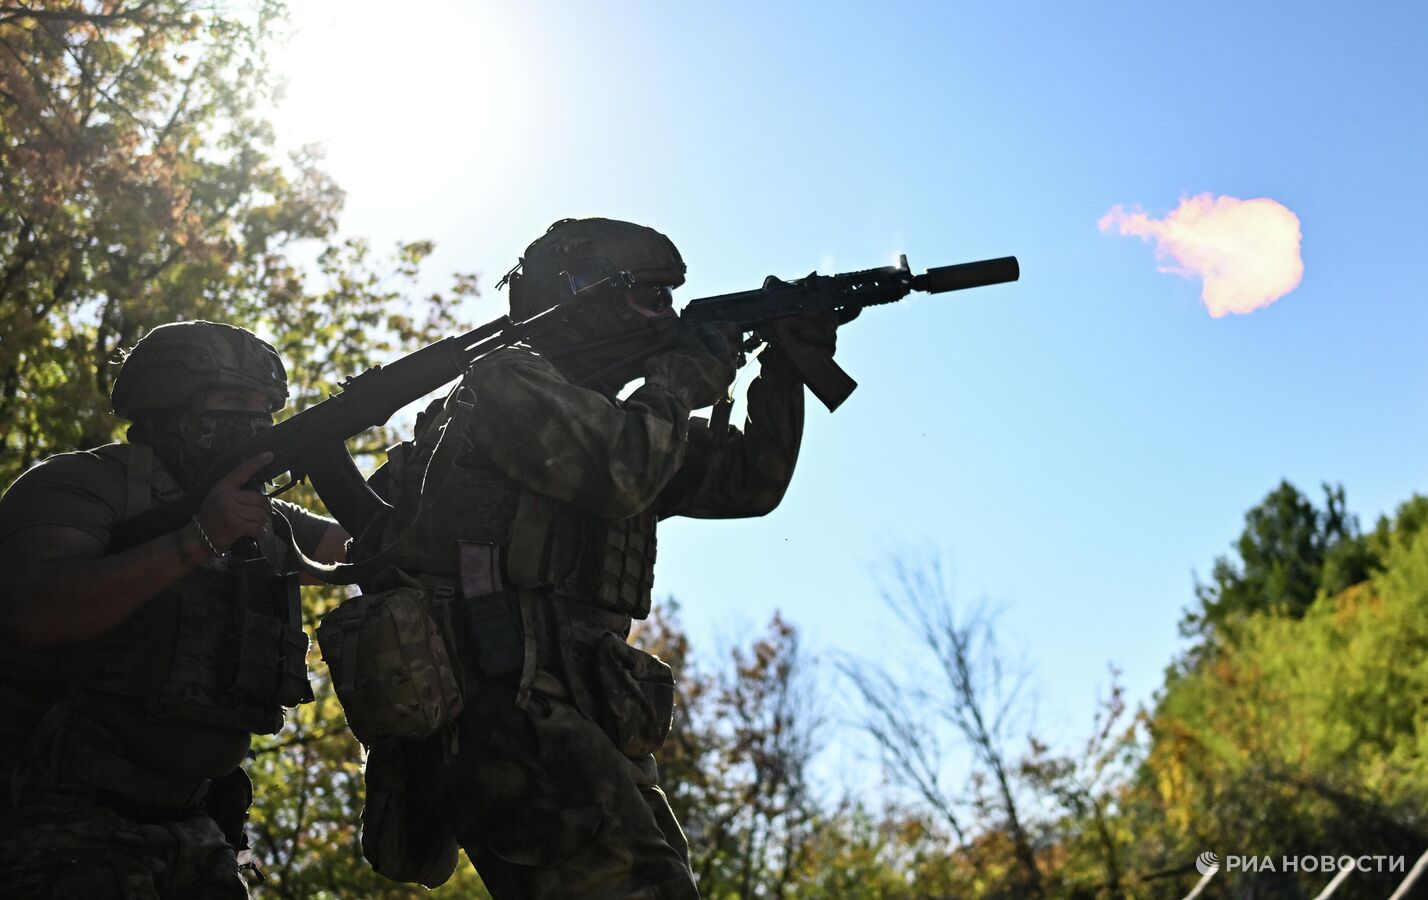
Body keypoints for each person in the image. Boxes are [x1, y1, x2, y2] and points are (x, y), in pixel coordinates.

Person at [358, 218, 844, 898]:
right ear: (580, 296)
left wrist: (783, 371)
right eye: (652, 297)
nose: (668, 316)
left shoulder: (617, 418)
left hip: (577, 713)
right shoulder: (504, 384)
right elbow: (619, 468)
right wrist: (676, 384)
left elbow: (749, 483)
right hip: (505, 708)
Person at [0, 321, 348, 898]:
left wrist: (438, 465)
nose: (256, 420)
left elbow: (364, 545)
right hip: (58, 828)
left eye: (266, 406)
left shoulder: (259, 516)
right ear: (168, 400)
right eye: (234, 400)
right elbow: (37, 611)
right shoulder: (81, 484)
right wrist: (198, 540)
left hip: (199, 832)